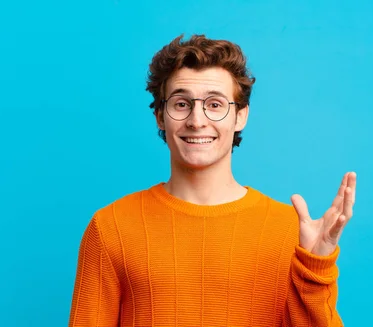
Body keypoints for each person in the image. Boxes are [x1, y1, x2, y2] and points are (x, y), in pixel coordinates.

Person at [67, 34, 356, 327]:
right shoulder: (110, 227)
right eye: (181, 104)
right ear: (159, 116)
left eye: (215, 105)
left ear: (240, 116)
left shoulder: (293, 233)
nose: (197, 120)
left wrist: (315, 269)